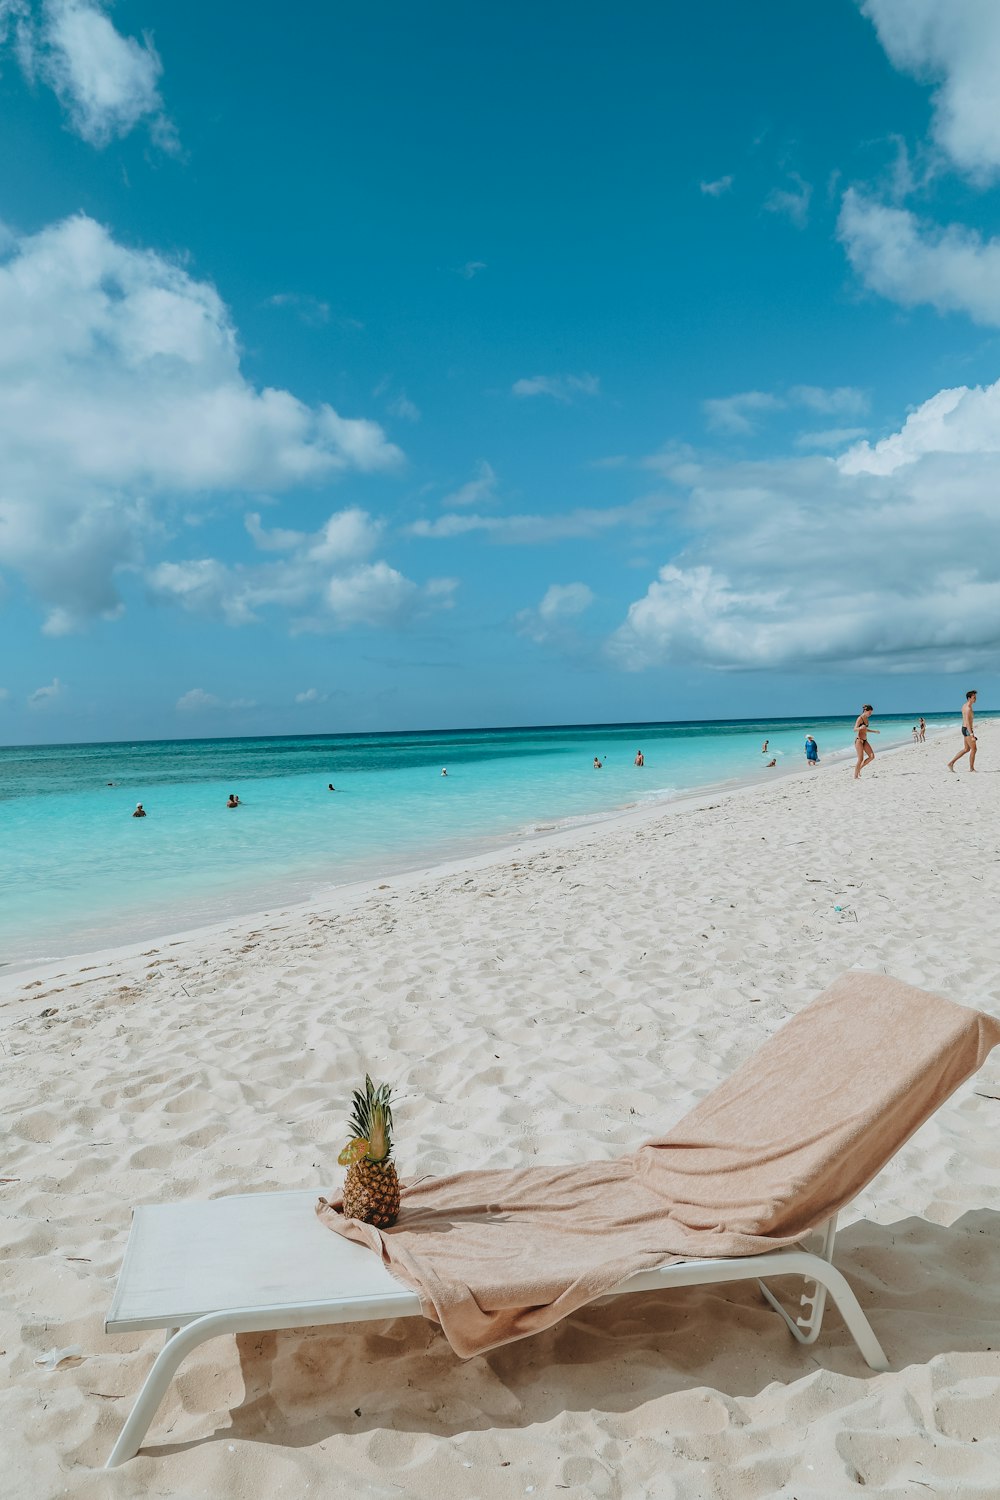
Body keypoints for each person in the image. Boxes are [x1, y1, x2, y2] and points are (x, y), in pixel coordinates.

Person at [948, 690, 978, 773]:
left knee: (966, 749)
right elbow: (968, 723)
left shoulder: (964, 705)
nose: (975, 699)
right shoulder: (968, 708)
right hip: (967, 729)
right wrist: (972, 735)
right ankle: (971, 768)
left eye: (975, 697)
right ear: (969, 698)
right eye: (974, 697)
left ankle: (951, 763)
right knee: (974, 749)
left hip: (964, 729)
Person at [853, 704, 879, 779]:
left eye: (871, 713)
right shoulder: (860, 718)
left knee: (872, 756)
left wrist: (874, 731)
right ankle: (855, 776)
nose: (870, 714)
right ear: (865, 711)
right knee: (860, 759)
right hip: (859, 741)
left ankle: (859, 769)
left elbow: (865, 730)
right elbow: (854, 729)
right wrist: (860, 727)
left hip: (865, 740)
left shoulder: (866, 719)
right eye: (870, 712)